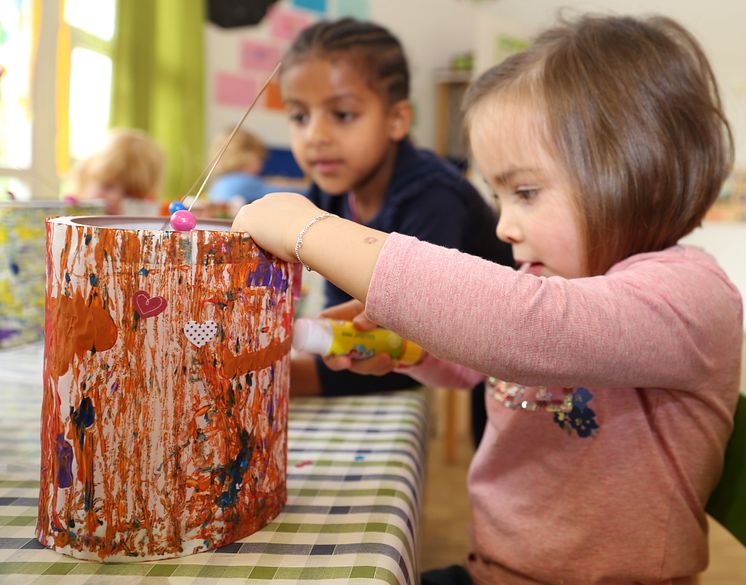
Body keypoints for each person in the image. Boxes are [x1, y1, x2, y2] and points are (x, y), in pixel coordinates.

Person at [233, 13, 743, 584]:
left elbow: (532, 334)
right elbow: (490, 365)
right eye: (500, 196)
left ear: (636, 173)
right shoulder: (560, 277)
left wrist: (310, 230)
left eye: (525, 192)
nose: (504, 226)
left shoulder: (688, 296)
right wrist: (412, 347)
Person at [279, 18, 514, 403]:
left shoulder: (434, 198)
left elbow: (406, 351)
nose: (315, 137)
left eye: (341, 115)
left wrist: (284, 377)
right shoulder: (331, 192)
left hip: (500, 375)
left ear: (396, 119)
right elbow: (344, 316)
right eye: (299, 117)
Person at [70, 128, 165, 215]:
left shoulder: (143, 224)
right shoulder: (69, 214)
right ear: (86, 179)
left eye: (130, 194)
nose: (115, 198)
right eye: (107, 185)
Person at [207, 127, 280, 210]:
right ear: (247, 157)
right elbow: (285, 193)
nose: (262, 165)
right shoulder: (243, 181)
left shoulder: (220, 182)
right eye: (260, 158)